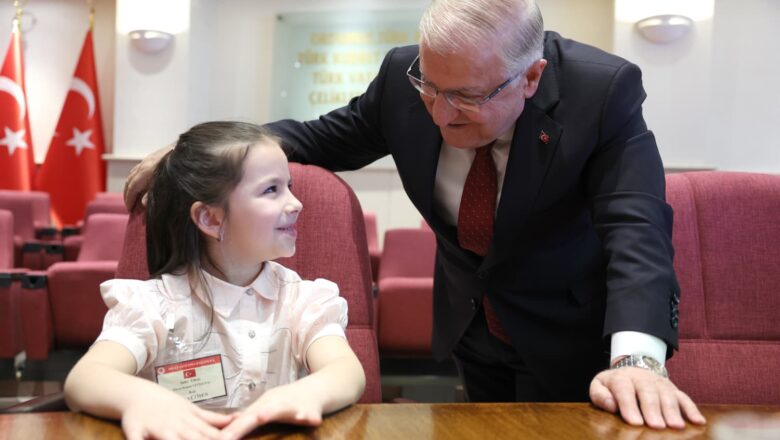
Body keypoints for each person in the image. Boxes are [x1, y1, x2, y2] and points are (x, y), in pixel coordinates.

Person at [125, 0, 705, 429]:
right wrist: (200, 156)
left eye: (468, 97)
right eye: (430, 87)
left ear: (531, 78)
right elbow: (319, 138)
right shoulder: (407, 80)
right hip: (473, 326)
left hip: (571, 334)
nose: (440, 114)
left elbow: (637, 228)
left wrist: (637, 360)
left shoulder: (600, 92)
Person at [65, 121, 366, 440]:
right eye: (271, 190)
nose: (296, 203)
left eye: (288, 186)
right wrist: (139, 399)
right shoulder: (156, 305)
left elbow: (346, 371)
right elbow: (85, 378)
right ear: (210, 218)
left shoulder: (301, 300)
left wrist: (307, 394)